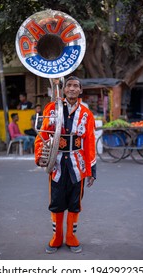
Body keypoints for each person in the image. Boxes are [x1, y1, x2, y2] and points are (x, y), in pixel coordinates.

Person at [34, 76, 96, 254]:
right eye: (68, 85)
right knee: (56, 202)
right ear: (64, 88)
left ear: (80, 90)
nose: (72, 88)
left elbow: (90, 142)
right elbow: (43, 135)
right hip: (57, 165)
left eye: (76, 86)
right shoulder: (52, 108)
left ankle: (71, 237)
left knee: (75, 203)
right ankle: (56, 238)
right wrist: (40, 155)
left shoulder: (86, 113)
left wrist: (92, 170)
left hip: (78, 165)